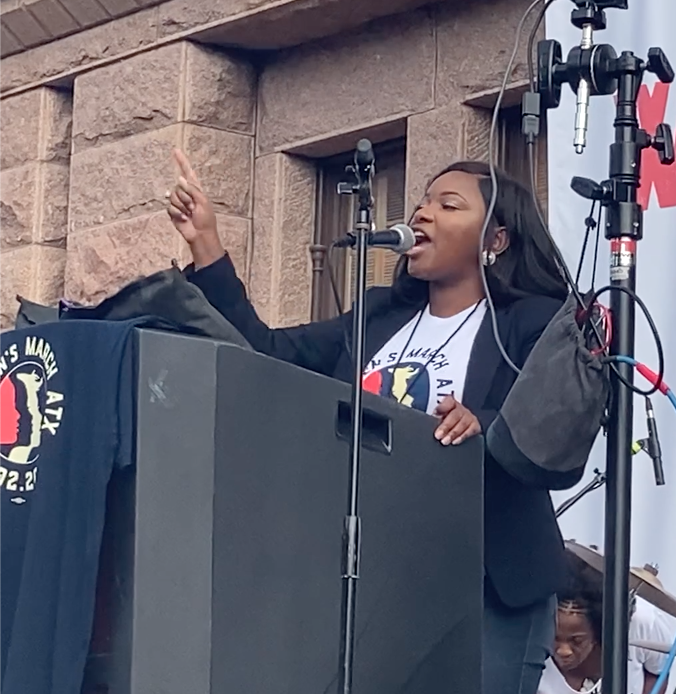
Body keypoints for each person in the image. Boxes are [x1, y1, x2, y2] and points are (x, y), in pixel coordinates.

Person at [166, 148, 571, 693]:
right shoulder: (380, 315)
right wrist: (208, 245)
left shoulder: (531, 320)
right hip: (377, 577)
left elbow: (557, 416)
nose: (422, 213)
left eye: (448, 205)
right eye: (423, 202)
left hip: (487, 585)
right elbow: (266, 352)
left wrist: (487, 422)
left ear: (496, 240)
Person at [538, 548, 673, 694]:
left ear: (599, 630)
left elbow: (657, 672)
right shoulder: (529, 630)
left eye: (577, 641)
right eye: (554, 637)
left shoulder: (642, 622)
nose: (563, 651)